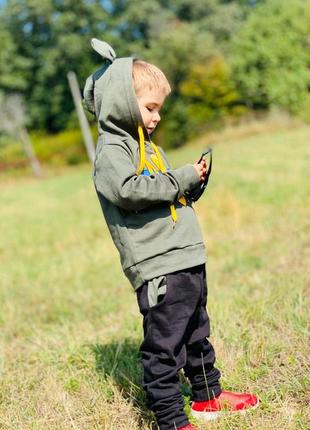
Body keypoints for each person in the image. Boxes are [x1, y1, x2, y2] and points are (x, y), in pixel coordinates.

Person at [83, 39, 259, 430]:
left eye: (158, 108)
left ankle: (207, 396)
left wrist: (189, 184)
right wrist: (178, 177)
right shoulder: (112, 150)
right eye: (150, 107)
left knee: (197, 330)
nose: (157, 116)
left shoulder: (147, 147)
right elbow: (129, 191)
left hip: (183, 256)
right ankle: (170, 419)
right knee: (164, 344)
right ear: (123, 104)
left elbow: (160, 191)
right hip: (158, 265)